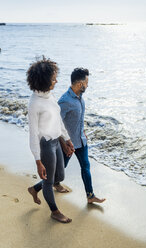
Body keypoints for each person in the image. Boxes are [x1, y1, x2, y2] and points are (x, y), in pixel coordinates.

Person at [27, 57, 74, 223]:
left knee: (59, 176)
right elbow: (33, 134)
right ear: (44, 79)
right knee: (49, 180)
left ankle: (34, 188)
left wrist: (66, 139)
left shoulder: (50, 96)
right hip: (45, 145)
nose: (56, 80)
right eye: (54, 78)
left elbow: (58, 120)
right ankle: (54, 211)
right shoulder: (34, 104)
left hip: (56, 141)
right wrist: (38, 161)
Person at [55, 68, 106, 204]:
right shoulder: (65, 101)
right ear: (80, 84)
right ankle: (39, 187)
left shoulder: (80, 99)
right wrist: (64, 143)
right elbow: (56, 123)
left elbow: (79, 119)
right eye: (86, 82)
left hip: (81, 141)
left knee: (86, 167)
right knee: (60, 169)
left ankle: (90, 195)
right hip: (68, 143)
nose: (88, 85)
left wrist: (82, 132)